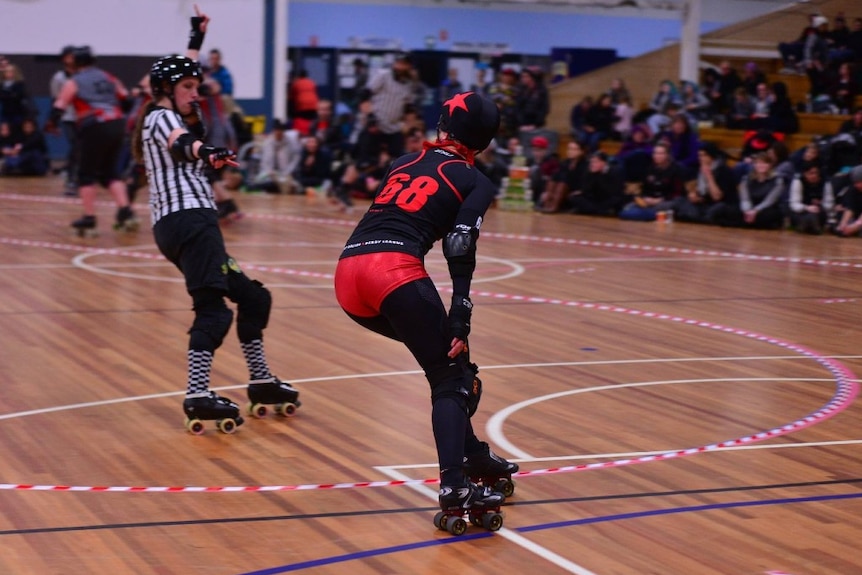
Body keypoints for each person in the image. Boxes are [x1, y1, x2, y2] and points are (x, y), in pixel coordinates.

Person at [333, 91, 517, 525]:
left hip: (348, 275)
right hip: (392, 272)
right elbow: (460, 243)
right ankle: (455, 482)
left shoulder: (401, 163)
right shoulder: (475, 180)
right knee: (452, 376)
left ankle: (471, 454)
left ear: (443, 126)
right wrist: (461, 310)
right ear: (484, 140)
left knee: (451, 362)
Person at [131, 7, 299, 433]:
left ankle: (260, 381)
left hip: (188, 224)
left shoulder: (169, 106)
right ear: (167, 89)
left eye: (196, 85)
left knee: (253, 297)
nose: (196, 91)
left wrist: (195, 38)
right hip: (189, 222)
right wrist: (207, 152)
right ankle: (197, 394)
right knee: (214, 313)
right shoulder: (159, 116)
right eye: (188, 87)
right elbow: (181, 141)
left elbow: (182, 82)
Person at [46, 46, 137, 236]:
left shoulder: (75, 81)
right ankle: (125, 211)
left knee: (85, 174)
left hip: (95, 124)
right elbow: (126, 100)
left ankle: (89, 218)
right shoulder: (109, 76)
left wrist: (51, 124)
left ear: (76, 63)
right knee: (110, 172)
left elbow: (60, 105)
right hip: (117, 123)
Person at [50, 46, 80, 194]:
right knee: (76, 146)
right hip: (68, 117)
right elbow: (56, 100)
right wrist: (53, 122)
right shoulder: (59, 78)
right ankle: (71, 179)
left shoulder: (82, 75)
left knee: (81, 148)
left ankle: (77, 177)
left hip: (83, 117)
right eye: (69, 56)